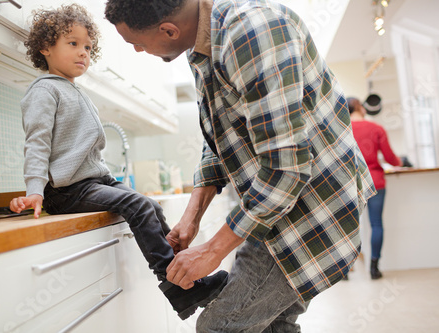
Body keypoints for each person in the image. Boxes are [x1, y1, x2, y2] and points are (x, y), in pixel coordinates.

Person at [105, 0, 376, 332]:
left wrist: (213, 250)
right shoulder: (200, 48)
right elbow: (218, 136)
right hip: (273, 210)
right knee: (275, 325)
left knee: (220, 327)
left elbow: (285, 169)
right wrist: (192, 218)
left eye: (137, 42)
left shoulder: (253, 32)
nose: (136, 50)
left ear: (168, 30)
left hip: (310, 208)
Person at [8, 3, 228, 321]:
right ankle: (178, 287)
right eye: (73, 44)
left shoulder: (74, 90)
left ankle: (183, 281)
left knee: (148, 206)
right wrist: (35, 191)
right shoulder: (44, 91)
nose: (83, 52)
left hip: (92, 182)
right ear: (45, 47)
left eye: (88, 47)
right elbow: (37, 144)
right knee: (139, 206)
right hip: (67, 190)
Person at [348, 97, 403, 280]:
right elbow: (390, 158)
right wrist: (399, 162)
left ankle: (344, 271)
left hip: (352, 184)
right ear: (359, 107)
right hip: (375, 181)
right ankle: (374, 268)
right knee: (376, 224)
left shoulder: (343, 130)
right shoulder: (376, 128)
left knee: (348, 227)